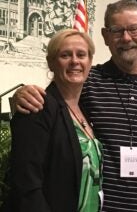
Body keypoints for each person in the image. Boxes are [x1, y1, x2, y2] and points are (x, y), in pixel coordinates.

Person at [13, 0, 137, 212]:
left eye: (133, 29)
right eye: (116, 30)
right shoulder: (88, 82)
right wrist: (21, 95)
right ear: (105, 36)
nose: (126, 38)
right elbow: (53, 102)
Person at [1, 29, 103, 212]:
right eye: (65, 55)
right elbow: (26, 186)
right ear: (51, 62)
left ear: (90, 62)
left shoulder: (85, 109)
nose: (75, 61)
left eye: (81, 54)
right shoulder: (37, 106)